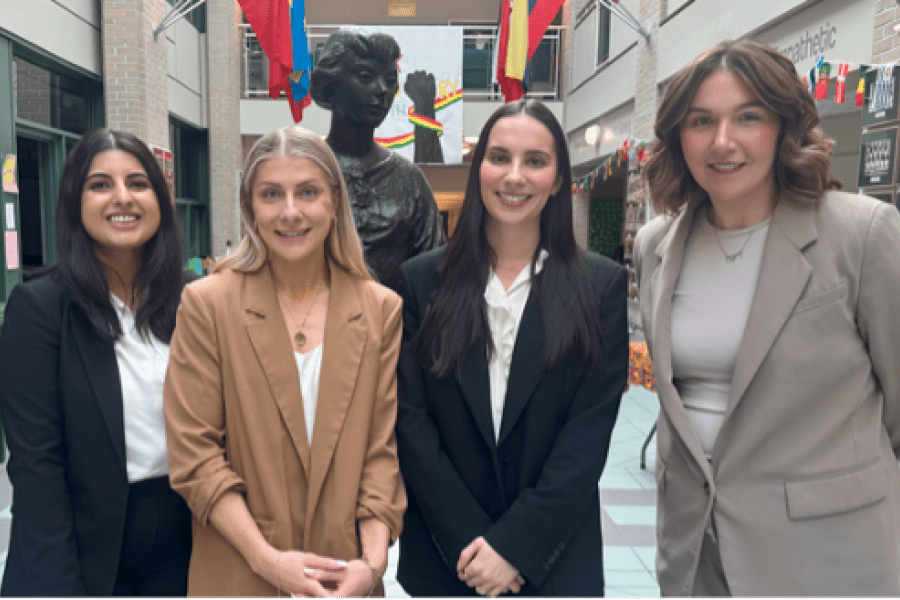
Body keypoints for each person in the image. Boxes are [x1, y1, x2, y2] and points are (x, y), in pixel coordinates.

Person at [634, 39, 900, 598]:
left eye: (748, 117)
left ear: (784, 127)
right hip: (694, 555)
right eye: (701, 121)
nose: (722, 141)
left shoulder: (862, 233)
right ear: (678, 138)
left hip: (825, 558)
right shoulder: (656, 244)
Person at [396, 99, 628, 598]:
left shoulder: (600, 287)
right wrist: (472, 545)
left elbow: (587, 436)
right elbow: (413, 426)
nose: (514, 176)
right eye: (499, 157)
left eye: (535, 161)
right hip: (448, 560)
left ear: (558, 179)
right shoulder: (421, 280)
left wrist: (515, 548)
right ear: (478, 167)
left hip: (551, 561)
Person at [164, 125, 406, 598]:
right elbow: (195, 456)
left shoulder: (380, 309)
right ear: (250, 206)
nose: (290, 211)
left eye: (308, 192)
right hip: (241, 572)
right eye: (271, 194)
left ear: (334, 202)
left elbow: (380, 456)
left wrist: (372, 566)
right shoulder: (208, 304)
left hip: (345, 578)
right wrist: (268, 561)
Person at [0, 128, 190, 596]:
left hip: (185, 541)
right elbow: (37, 466)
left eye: (138, 183)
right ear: (74, 202)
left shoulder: (194, 300)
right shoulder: (40, 309)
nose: (122, 198)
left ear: (160, 200)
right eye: (100, 184)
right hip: (82, 548)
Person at [310, 30, 445, 293]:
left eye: (390, 80)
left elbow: (434, 278)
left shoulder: (410, 181)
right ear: (331, 85)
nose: (382, 90)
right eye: (365, 77)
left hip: (395, 319)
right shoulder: (304, 172)